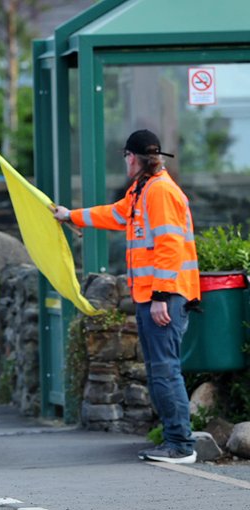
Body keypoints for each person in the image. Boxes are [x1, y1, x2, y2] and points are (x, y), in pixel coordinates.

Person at [53, 129, 200, 464]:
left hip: (164, 297)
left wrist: (162, 294)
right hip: (156, 296)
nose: (125, 163)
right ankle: (175, 441)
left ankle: (180, 444)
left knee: (164, 370)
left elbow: (169, 247)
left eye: (125, 157)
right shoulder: (143, 190)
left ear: (132, 158)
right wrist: (70, 216)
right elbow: (115, 214)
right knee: (160, 369)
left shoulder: (159, 192)